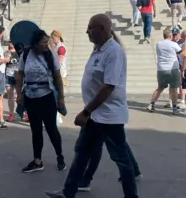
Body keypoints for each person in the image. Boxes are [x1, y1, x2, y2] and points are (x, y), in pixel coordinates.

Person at [45, 14, 139, 198]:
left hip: (109, 117)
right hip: (96, 115)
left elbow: (109, 86)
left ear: (103, 29)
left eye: (91, 28)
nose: (87, 31)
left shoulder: (113, 52)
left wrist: (86, 111)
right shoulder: (99, 49)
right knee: (82, 153)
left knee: (121, 158)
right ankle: (68, 192)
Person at [16, 29, 66, 173]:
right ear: (35, 44)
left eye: (47, 42)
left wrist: (61, 98)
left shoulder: (50, 55)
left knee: (51, 129)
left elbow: (58, 77)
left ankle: (60, 157)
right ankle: (37, 161)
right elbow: (20, 74)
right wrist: (19, 93)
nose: (46, 45)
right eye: (43, 43)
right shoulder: (26, 55)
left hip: (47, 97)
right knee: (35, 130)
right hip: (31, 98)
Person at [147, 29, 183, 113]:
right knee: (174, 89)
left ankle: (151, 104)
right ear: (170, 36)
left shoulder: (158, 44)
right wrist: (185, 46)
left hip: (161, 69)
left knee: (160, 88)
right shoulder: (173, 44)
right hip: (172, 69)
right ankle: (174, 108)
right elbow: (182, 53)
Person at [4, 42, 22, 122]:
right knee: (10, 96)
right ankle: (11, 114)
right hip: (9, 75)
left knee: (20, 95)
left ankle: (24, 113)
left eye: (12, 41)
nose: (10, 43)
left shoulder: (20, 52)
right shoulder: (6, 52)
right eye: (9, 42)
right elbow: (3, 63)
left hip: (18, 75)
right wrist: (6, 58)